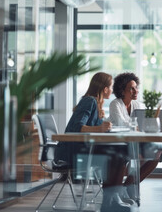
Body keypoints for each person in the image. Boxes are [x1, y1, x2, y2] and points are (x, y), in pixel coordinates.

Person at [56, 72, 135, 212]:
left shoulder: (96, 104)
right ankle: (109, 201)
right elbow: (76, 127)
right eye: (110, 87)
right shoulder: (89, 101)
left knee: (121, 153)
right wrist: (100, 128)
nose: (112, 90)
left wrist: (105, 128)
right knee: (119, 154)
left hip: (81, 150)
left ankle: (110, 200)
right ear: (105, 89)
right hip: (73, 153)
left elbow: (94, 130)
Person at [109, 72, 161, 201]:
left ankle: (127, 186)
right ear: (122, 91)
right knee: (138, 156)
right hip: (118, 144)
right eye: (131, 88)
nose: (136, 90)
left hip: (134, 142)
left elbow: (141, 124)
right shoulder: (115, 104)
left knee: (156, 154)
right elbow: (122, 123)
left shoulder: (137, 105)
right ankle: (122, 189)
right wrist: (137, 126)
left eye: (136, 87)